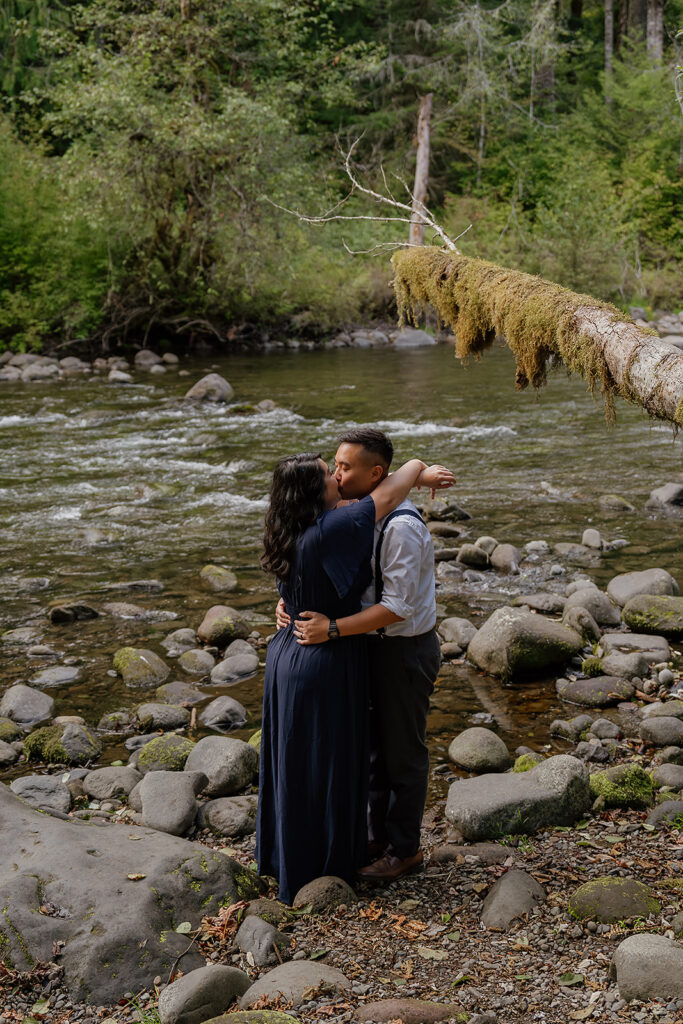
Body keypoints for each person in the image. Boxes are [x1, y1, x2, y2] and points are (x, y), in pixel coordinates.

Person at [257, 451, 455, 905]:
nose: (337, 476)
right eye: (330, 471)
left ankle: (302, 855)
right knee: (325, 761)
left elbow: (298, 584)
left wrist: (291, 604)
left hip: (291, 651)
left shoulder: (288, 525)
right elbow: (392, 486)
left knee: (305, 760)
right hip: (320, 656)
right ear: (313, 491)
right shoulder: (335, 526)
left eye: (341, 467)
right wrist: (418, 466)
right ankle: (325, 863)